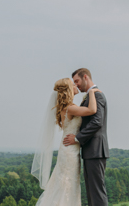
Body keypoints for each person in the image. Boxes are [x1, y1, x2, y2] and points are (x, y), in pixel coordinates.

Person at [31, 77, 101, 206]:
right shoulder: (69, 108)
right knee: (68, 184)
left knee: (69, 183)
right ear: (68, 89)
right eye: (73, 84)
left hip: (70, 149)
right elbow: (92, 110)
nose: (75, 86)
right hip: (69, 151)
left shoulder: (68, 107)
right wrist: (91, 91)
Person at [63, 68, 109, 206]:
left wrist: (77, 138)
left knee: (97, 192)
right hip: (90, 151)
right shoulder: (90, 96)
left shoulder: (98, 95)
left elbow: (97, 122)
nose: (76, 85)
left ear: (85, 77)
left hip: (96, 150)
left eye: (77, 81)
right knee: (91, 191)